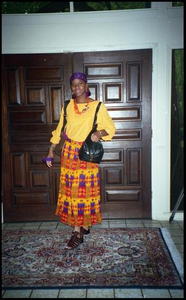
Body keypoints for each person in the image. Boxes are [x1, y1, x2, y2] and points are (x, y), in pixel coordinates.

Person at [44, 72, 115, 249]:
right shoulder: (67, 106)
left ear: (86, 85)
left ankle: (78, 232)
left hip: (86, 155)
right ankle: (81, 227)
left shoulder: (98, 106)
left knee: (84, 193)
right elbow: (59, 130)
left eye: (80, 83)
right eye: (73, 84)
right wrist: (51, 151)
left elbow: (111, 129)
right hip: (69, 154)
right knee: (72, 193)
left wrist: (99, 133)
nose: (76, 87)